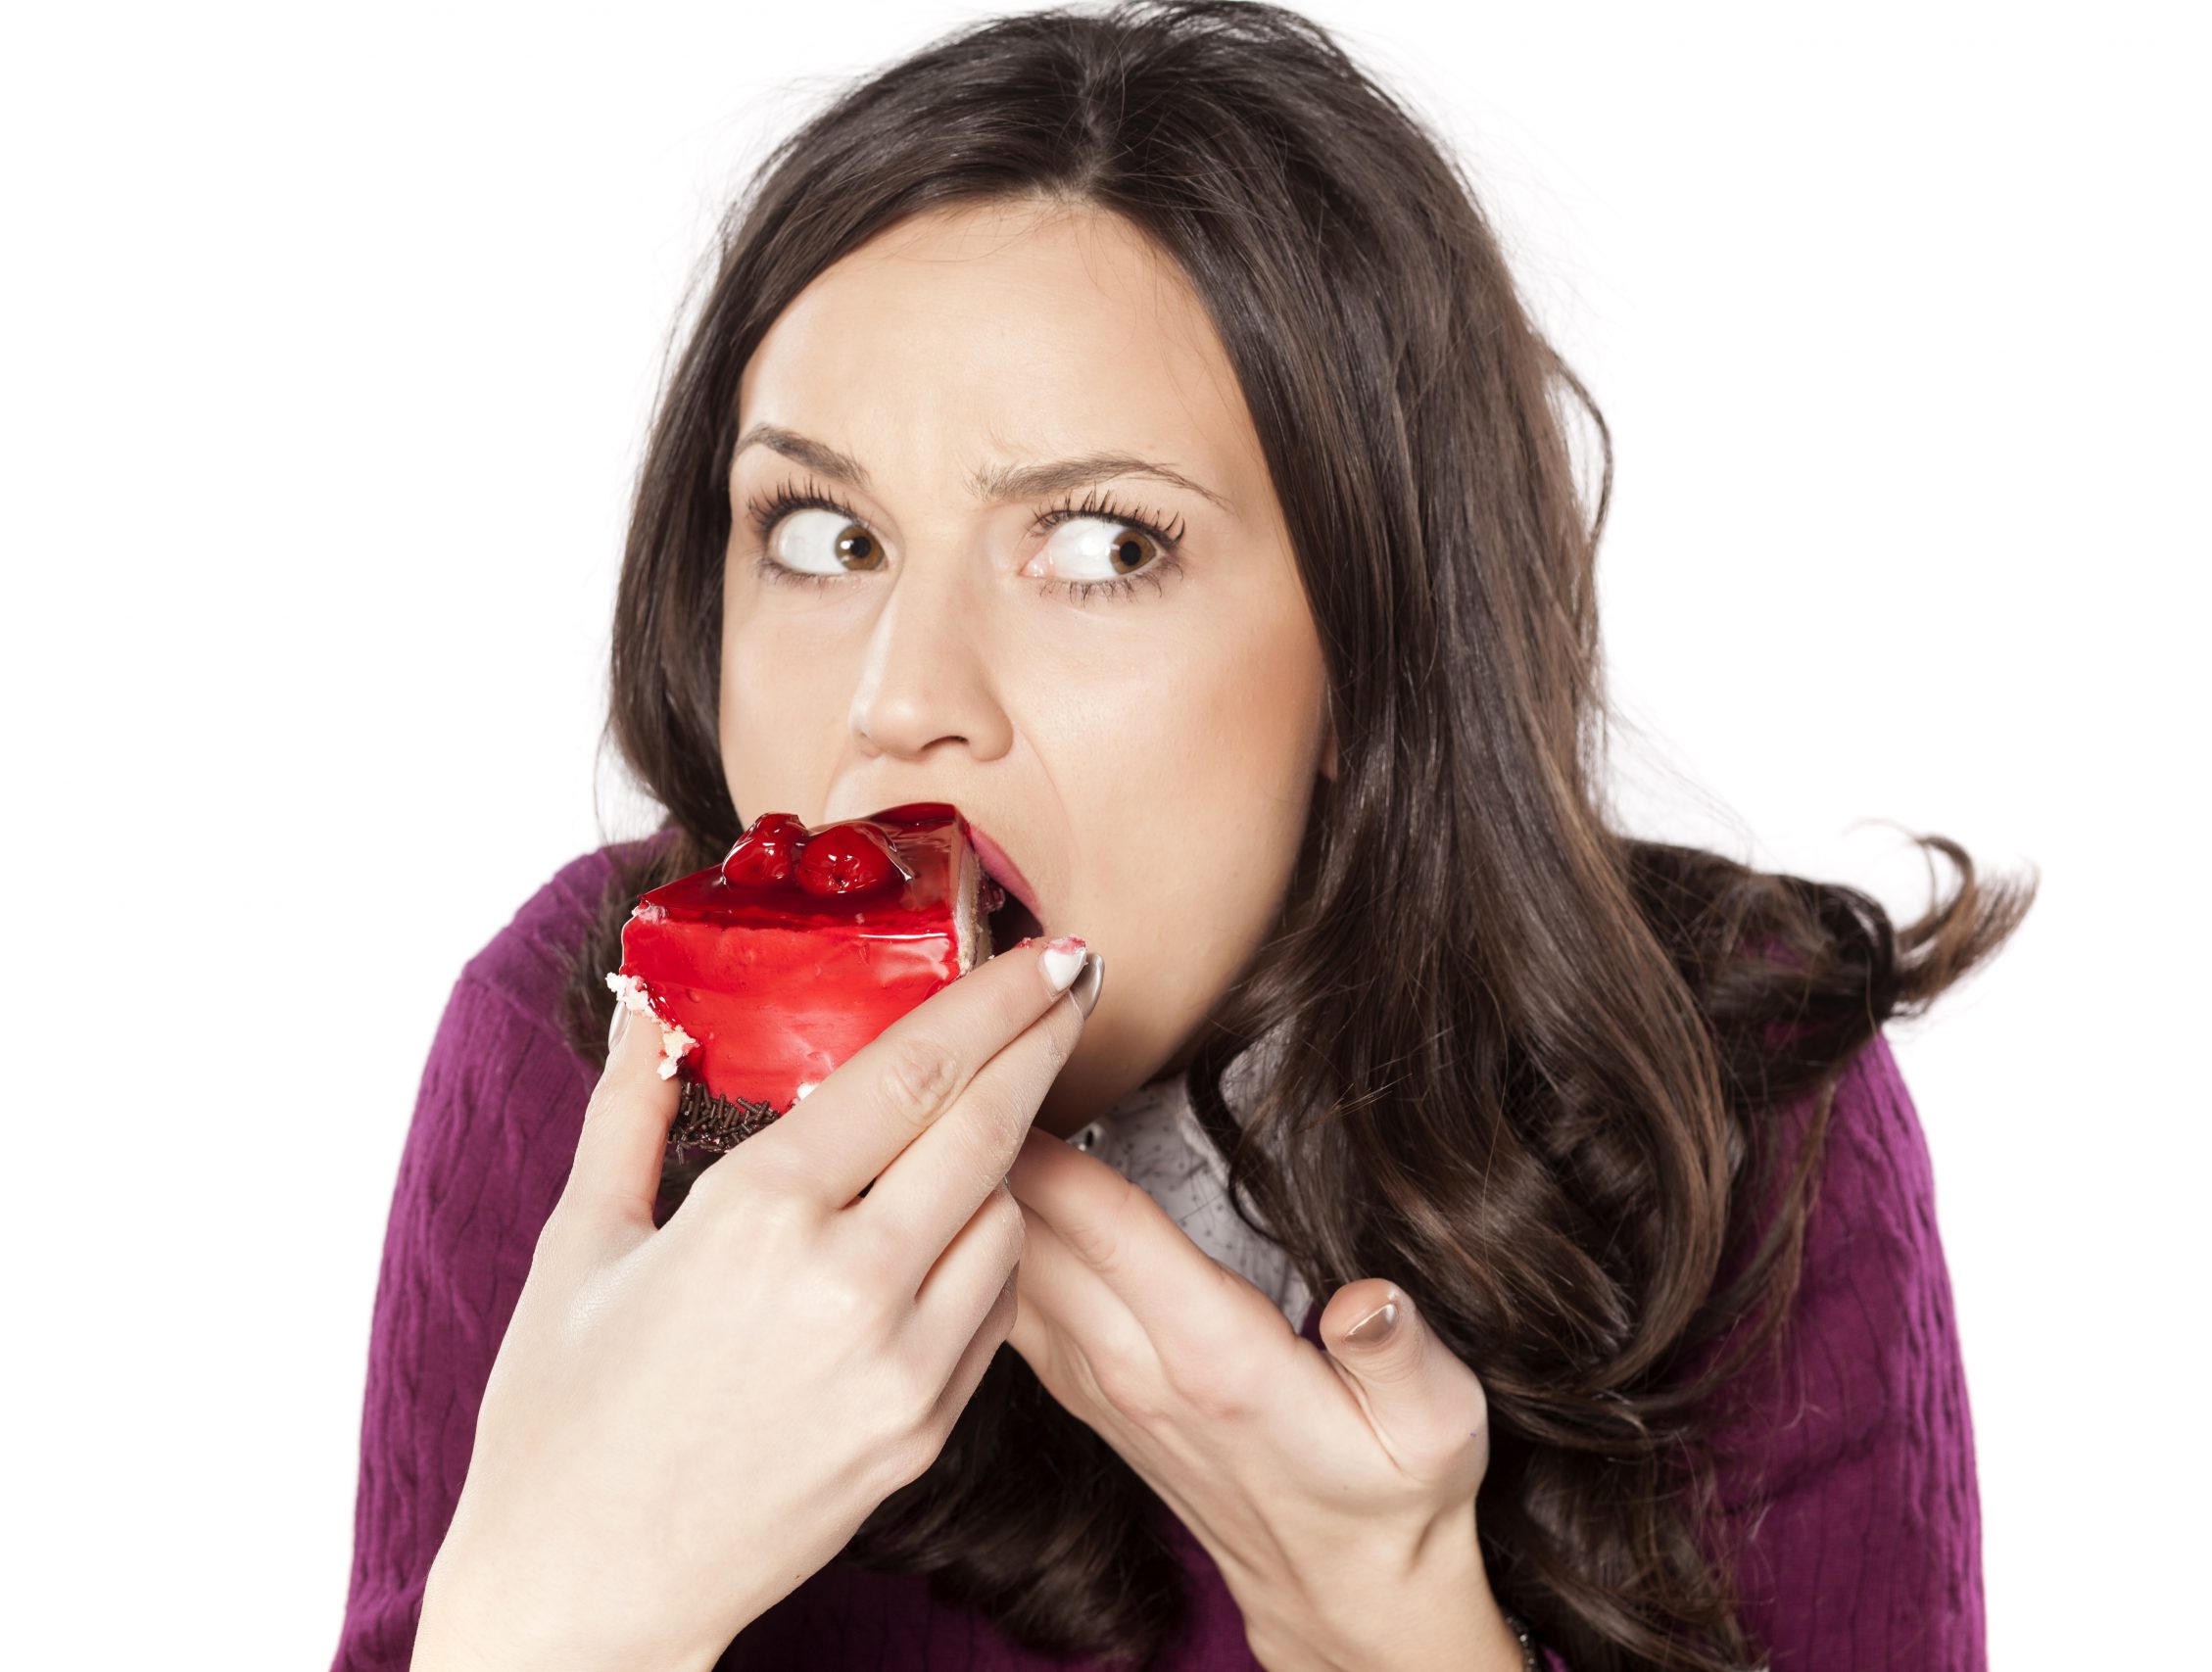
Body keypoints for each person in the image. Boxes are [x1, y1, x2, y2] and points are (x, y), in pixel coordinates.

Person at [329, 4, 2035, 1669]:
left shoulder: (1716, 1100)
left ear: (1375, 659)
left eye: (1097, 550)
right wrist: (562, 1614)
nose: (897, 697)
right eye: (827, 534)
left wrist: (1387, 1625)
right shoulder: (590, 1048)